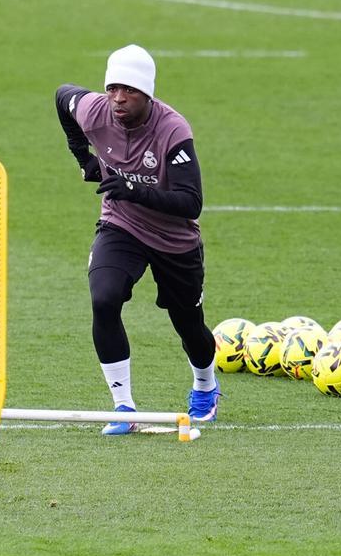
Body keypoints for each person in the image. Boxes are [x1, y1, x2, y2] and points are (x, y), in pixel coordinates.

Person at [54, 44, 220, 434]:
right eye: (112, 88)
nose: (118, 98)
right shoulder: (95, 110)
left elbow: (191, 202)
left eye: (128, 90)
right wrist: (84, 158)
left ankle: (205, 386)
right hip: (121, 226)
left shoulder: (172, 130)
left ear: (147, 93)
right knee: (104, 297)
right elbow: (62, 96)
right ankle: (123, 407)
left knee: (188, 324)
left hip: (174, 240)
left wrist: (131, 187)